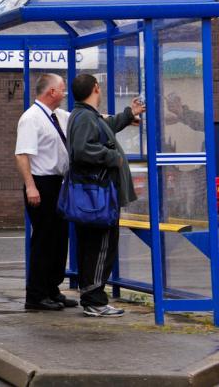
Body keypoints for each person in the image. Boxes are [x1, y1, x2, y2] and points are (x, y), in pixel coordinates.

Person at [67, 74, 145, 317]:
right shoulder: (84, 118)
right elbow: (83, 150)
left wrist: (128, 114)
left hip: (95, 196)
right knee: (101, 246)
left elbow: (104, 129)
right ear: (96, 88)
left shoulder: (85, 116)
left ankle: (92, 296)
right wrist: (113, 157)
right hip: (97, 198)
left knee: (95, 245)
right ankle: (95, 300)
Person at [15, 73, 76, 311]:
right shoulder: (31, 118)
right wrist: (31, 186)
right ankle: (36, 295)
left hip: (58, 183)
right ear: (51, 92)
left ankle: (52, 288)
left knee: (59, 239)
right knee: (43, 239)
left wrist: (124, 118)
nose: (65, 93)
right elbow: (22, 155)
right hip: (41, 184)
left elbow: (86, 120)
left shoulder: (59, 116)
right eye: (63, 89)